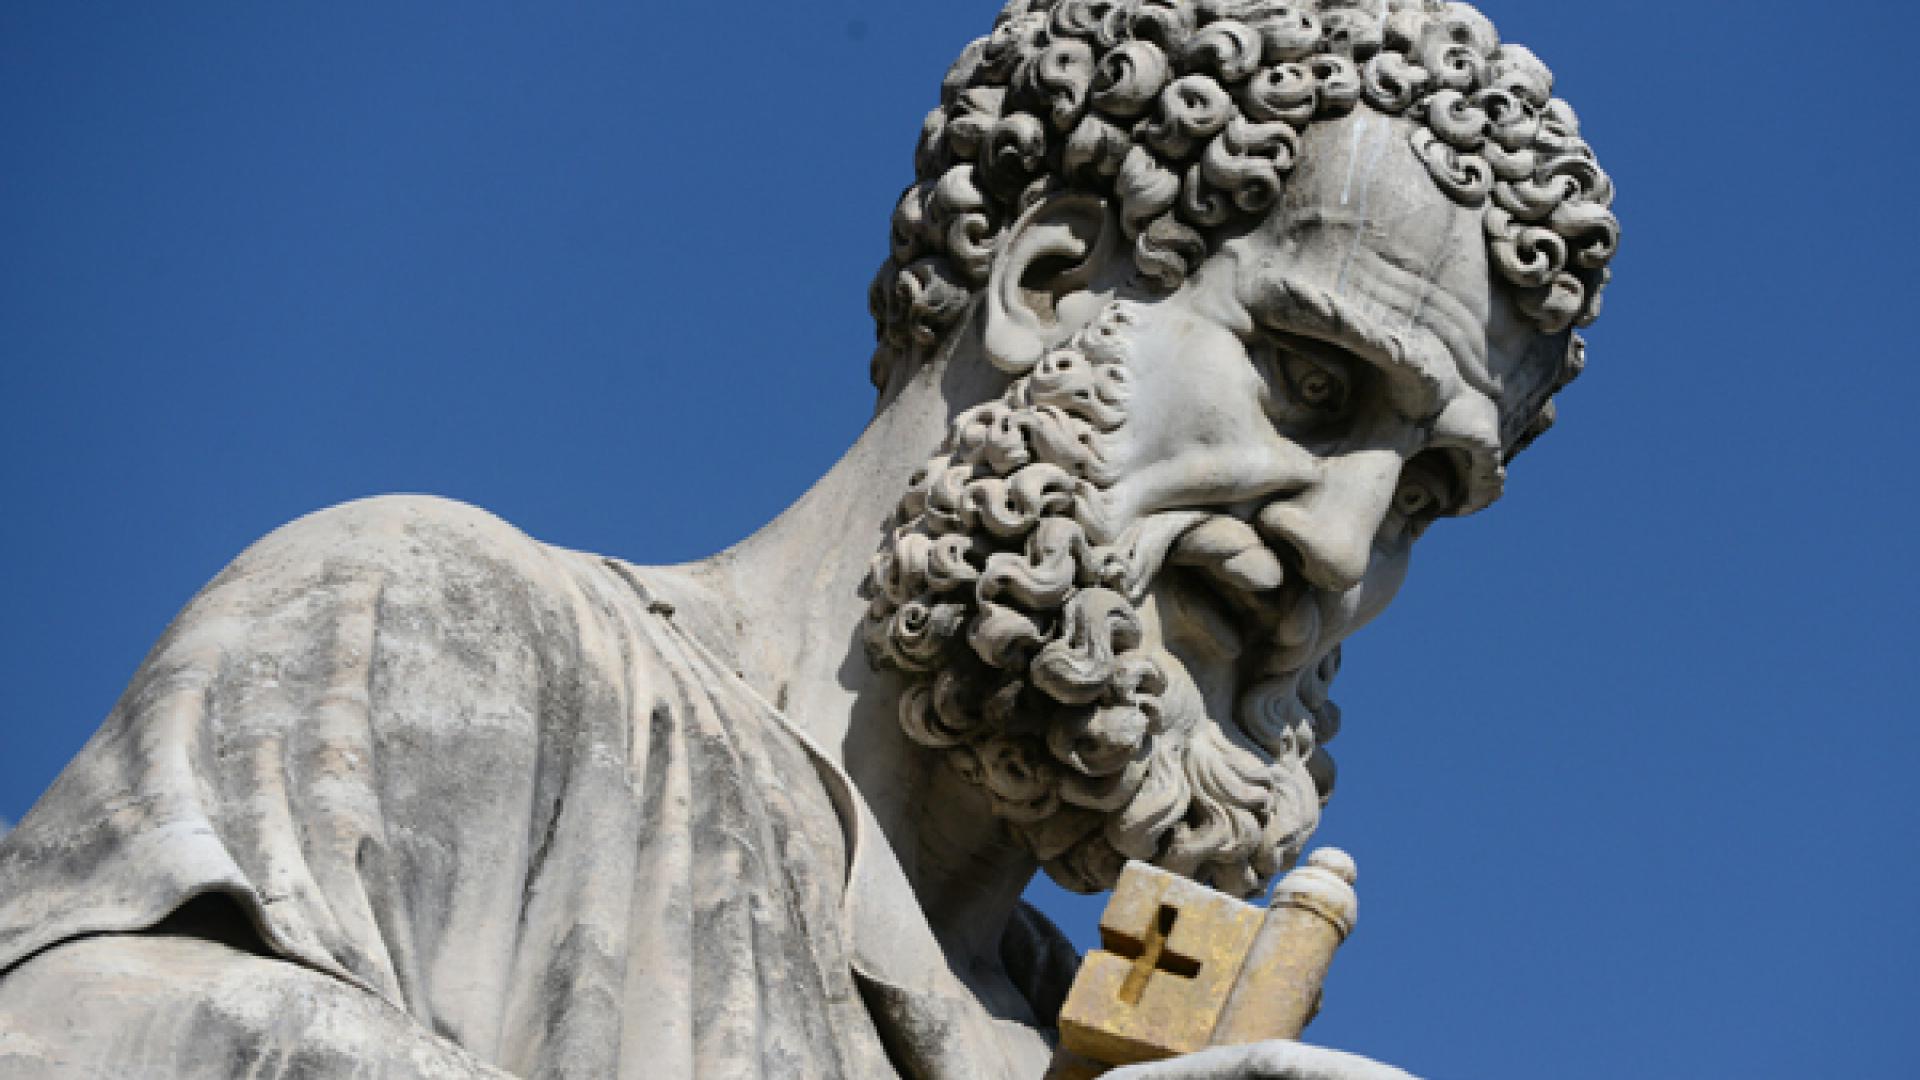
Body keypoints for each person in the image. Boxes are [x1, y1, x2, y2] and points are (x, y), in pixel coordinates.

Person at [0, 2, 1616, 1077]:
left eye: (1424, 496)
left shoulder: (1082, 1034)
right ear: (1049, 281)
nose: (1341, 551)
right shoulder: (444, 643)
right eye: (1313, 385)